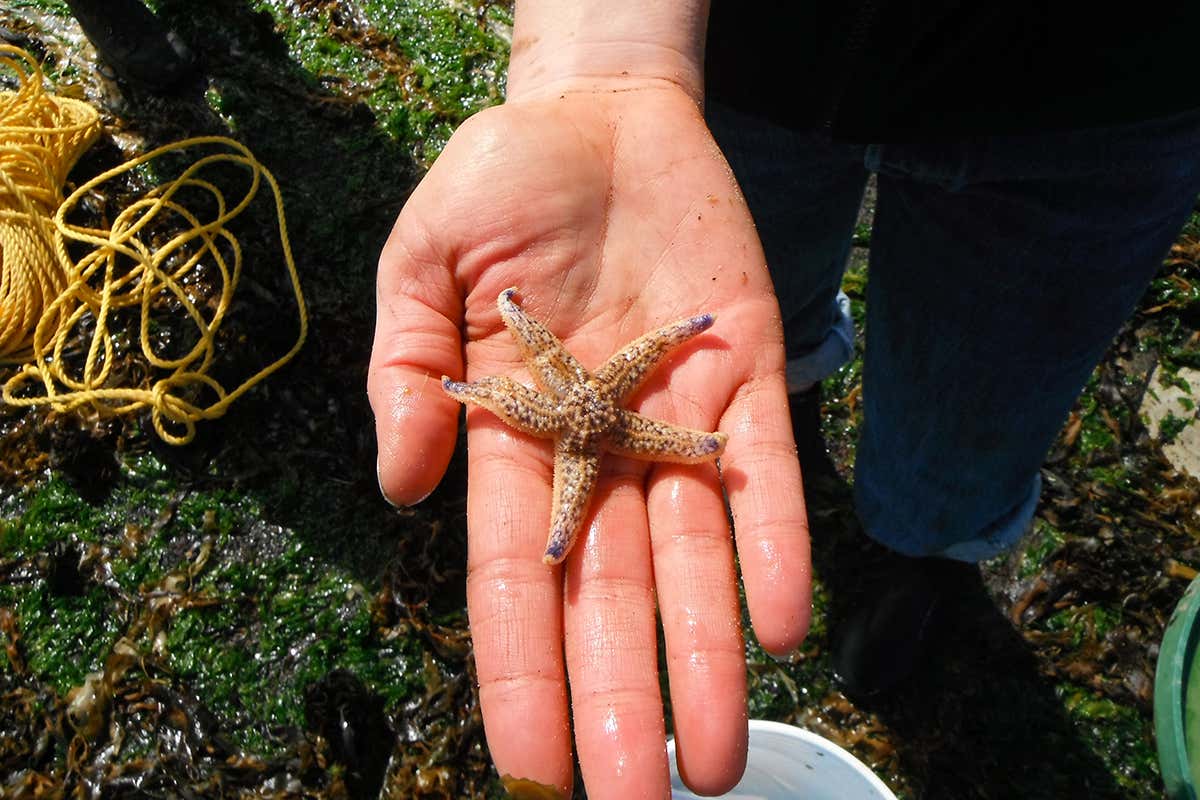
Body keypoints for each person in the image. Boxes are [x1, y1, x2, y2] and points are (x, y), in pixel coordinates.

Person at [368, 2, 1200, 797]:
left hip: (1101, 98)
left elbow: (628, 374)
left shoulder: (597, 415)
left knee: (964, 436)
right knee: (760, 321)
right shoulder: (589, 413)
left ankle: (925, 554)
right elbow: (598, 384)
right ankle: (797, 416)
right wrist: (595, 56)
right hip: (744, 61)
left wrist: (520, 376)